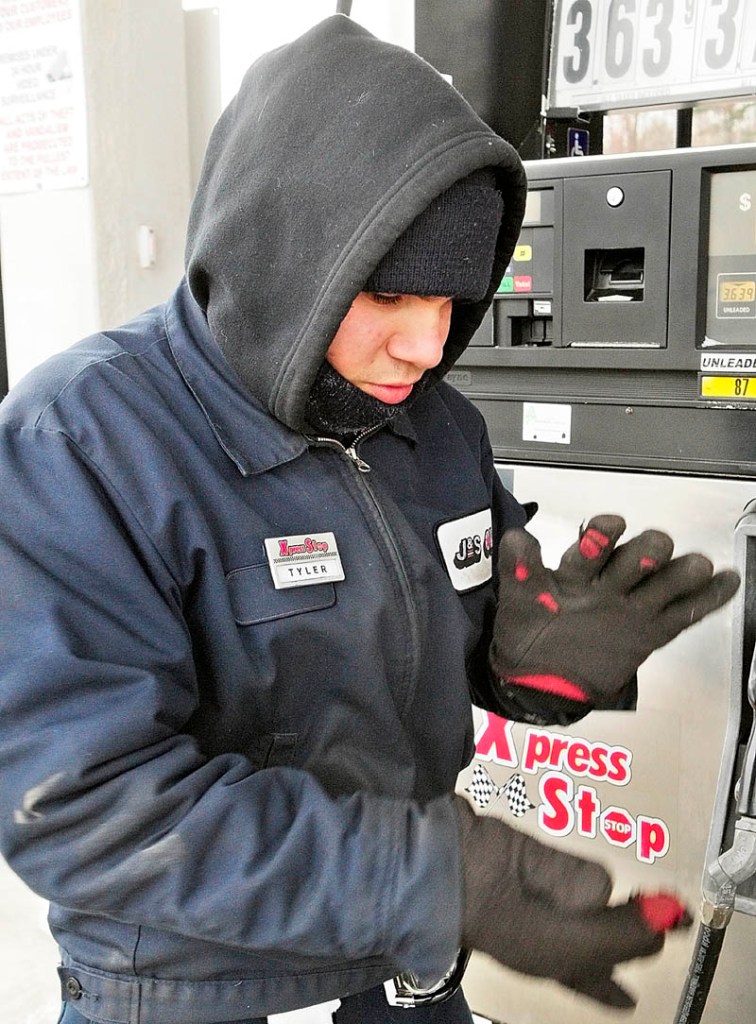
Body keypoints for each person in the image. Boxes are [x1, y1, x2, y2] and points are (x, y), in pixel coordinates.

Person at [0, 15, 740, 1024]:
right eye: (389, 293)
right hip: (199, 994)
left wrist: (532, 669)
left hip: (406, 980)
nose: (427, 345)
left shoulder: (437, 431)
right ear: (279, 256)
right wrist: (434, 877)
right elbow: (84, 808)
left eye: (454, 299)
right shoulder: (81, 443)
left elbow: (435, 648)